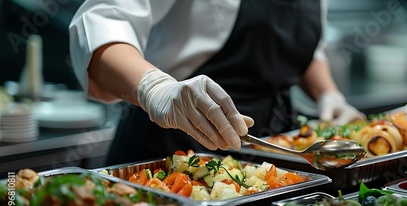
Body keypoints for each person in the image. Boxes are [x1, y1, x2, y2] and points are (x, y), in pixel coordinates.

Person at [69, 0, 365, 165]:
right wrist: (154, 88)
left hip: (271, 157)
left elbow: (303, 45)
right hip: (171, 145)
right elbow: (101, 21)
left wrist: (329, 93)